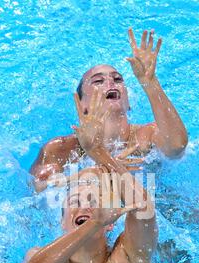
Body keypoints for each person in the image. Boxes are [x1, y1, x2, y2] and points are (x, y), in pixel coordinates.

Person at [22, 90, 158, 263]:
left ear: (111, 221)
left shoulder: (127, 261)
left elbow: (144, 210)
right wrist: (94, 223)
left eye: (94, 202)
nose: (84, 205)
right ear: (62, 222)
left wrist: (98, 152)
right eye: (74, 202)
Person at [30, 28, 188, 192]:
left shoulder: (146, 137)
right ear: (81, 104)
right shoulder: (61, 149)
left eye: (118, 79)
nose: (111, 82)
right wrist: (90, 175)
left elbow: (177, 146)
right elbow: (38, 190)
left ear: (128, 103)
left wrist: (149, 82)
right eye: (98, 81)